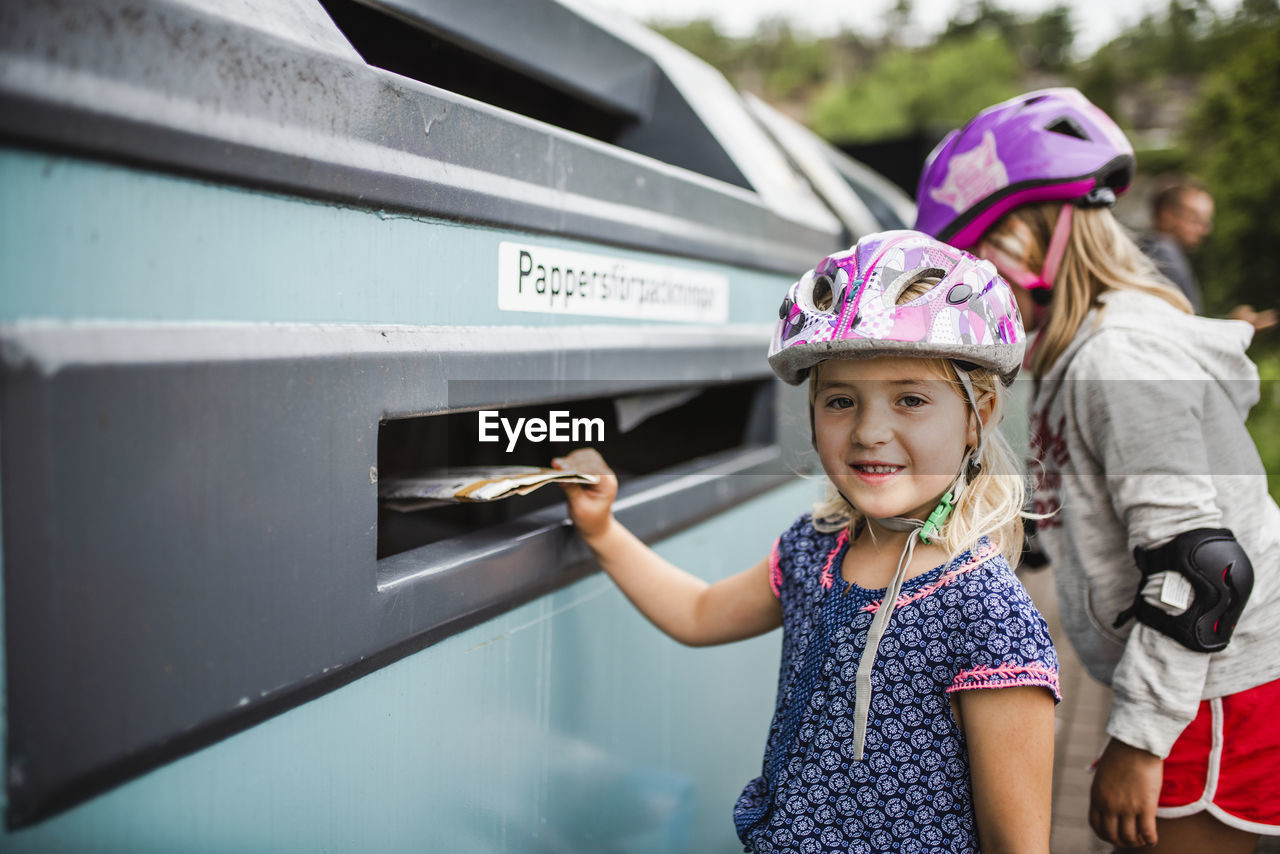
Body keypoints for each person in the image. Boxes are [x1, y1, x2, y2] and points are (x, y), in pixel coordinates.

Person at [554, 230, 1060, 853]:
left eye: (911, 399)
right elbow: (697, 612)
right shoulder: (814, 548)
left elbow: (1019, 845)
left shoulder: (987, 613)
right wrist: (602, 530)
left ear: (978, 415)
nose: (871, 431)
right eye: (842, 401)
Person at [915, 87, 1280, 852]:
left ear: (1027, 236)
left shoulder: (1120, 357)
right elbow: (1066, 516)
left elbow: (1204, 570)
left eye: (969, 262)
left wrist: (1139, 741)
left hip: (1209, 689)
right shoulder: (1074, 355)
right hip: (1186, 679)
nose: (966, 293)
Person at [1136, 178, 1212, 313]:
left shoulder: (1144, 251)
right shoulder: (1164, 253)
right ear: (1166, 216)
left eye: (1206, 222)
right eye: (1196, 219)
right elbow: (1183, 325)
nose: (1204, 230)